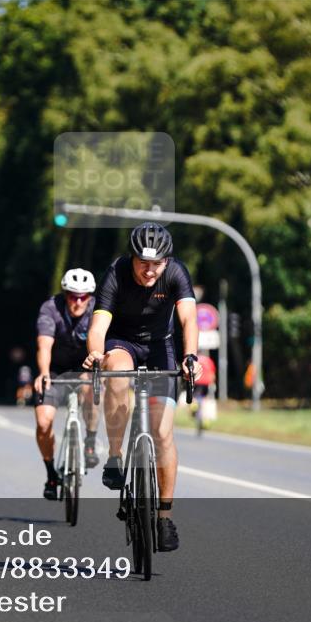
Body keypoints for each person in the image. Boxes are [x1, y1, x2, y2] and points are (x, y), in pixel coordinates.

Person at [83, 223, 202, 552]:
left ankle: (164, 517)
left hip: (161, 347)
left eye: (156, 264)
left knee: (163, 433)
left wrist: (190, 356)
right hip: (122, 342)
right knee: (116, 372)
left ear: (167, 261)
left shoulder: (176, 273)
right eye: (142, 263)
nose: (149, 271)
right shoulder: (116, 273)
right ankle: (115, 456)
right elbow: (99, 323)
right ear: (132, 258)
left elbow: (189, 319)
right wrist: (96, 352)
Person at [33, 268, 100, 500]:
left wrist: (91, 370)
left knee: (91, 389)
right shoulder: (50, 308)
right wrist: (43, 373)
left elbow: (102, 343)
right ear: (65, 294)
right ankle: (52, 474)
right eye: (72, 296)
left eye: (83, 297)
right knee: (43, 422)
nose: (77, 302)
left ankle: (90, 439)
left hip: (85, 368)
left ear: (90, 297)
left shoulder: (97, 310)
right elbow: (44, 345)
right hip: (55, 370)